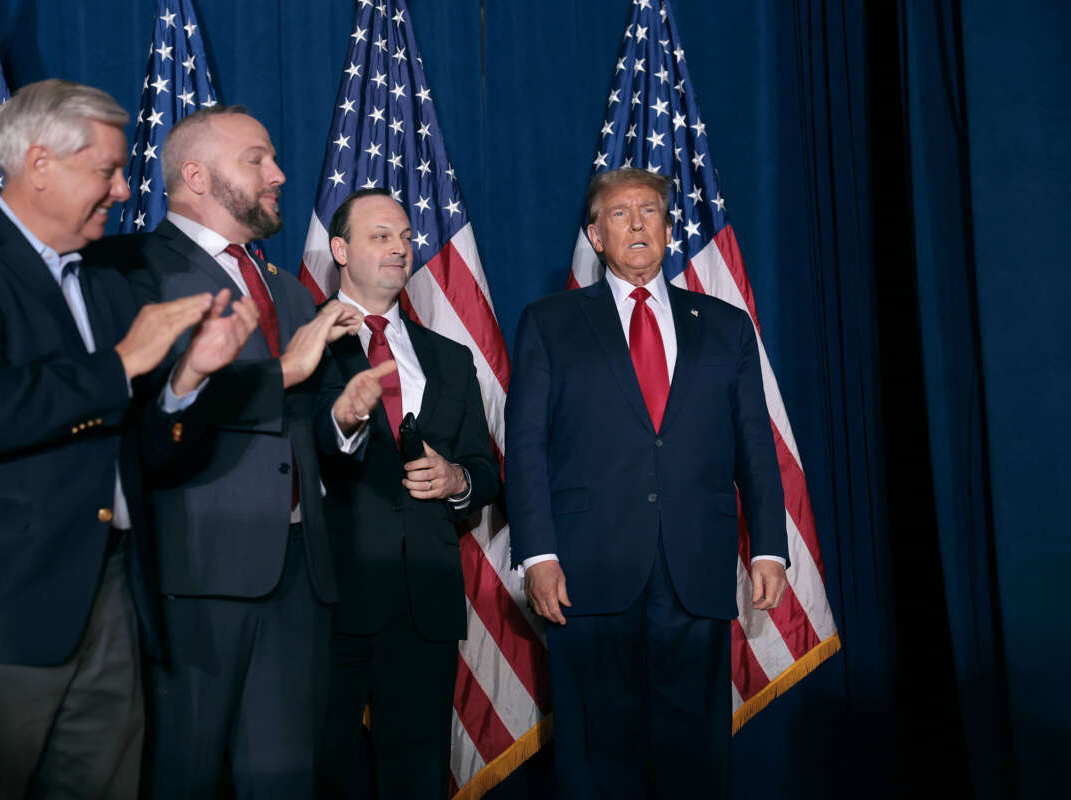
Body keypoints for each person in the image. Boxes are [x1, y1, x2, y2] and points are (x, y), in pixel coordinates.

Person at [0, 79, 257, 798]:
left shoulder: (110, 283)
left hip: (107, 599)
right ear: (40, 164)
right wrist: (121, 364)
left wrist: (187, 381)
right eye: (105, 170)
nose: (121, 190)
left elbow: (138, 450)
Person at [90, 105, 372, 797]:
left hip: (299, 576)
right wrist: (286, 374)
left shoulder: (282, 288)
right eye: (257, 159)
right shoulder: (128, 274)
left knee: (283, 781)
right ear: (194, 175)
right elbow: (145, 419)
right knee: (179, 776)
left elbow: (303, 425)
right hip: (191, 572)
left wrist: (344, 421)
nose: (278, 174)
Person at [505, 168, 790, 799]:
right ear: (595, 235)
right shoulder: (549, 321)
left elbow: (754, 442)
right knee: (598, 759)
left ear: (668, 227)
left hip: (697, 569)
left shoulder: (725, 325)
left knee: (696, 759)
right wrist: (539, 555)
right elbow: (526, 446)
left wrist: (769, 545)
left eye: (649, 211)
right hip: (586, 572)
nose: (636, 223)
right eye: (618, 213)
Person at [315, 189, 500, 800]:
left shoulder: (448, 358)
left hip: (424, 603)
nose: (400, 247)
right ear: (340, 249)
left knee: (417, 780)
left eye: (405, 236)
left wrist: (458, 481)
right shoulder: (300, 342)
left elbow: (485, 469)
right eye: (380, 236)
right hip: (326, 602)